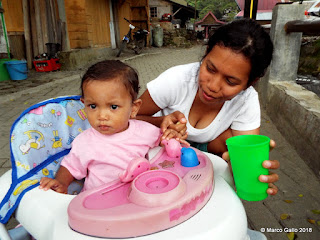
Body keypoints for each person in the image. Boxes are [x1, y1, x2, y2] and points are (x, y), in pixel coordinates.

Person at [137, 18, 279, 195]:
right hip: (157, 148)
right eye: (210, 69)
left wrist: (248, 168)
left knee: (235, 143)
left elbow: (242, 156)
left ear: (250, 83)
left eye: (230, 81)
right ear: (205, 54)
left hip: (205, 152)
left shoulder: (246, 101)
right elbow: (128, 119)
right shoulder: (176, 80)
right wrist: (160, 122)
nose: (213, 86)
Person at [39, 60, 161, 193]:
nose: (102, 116)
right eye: (93, 106)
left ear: (134, 108)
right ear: (84, 104)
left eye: (113, 107)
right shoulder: (84, 141)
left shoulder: (146, 131)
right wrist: (61, 183)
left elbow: (165, 142)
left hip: (138, 199)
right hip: (98, 204)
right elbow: (69, 167)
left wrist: (174, 137)